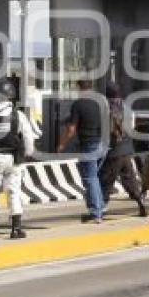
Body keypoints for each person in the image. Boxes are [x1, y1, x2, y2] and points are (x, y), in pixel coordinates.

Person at [0, 78, 39, 239]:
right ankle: (16, 228)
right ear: (11, 96)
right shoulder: (19, 116)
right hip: (14, 159)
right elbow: (28, 138)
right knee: (14, 192)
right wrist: (28, 154)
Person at [57, 79, 107, 224]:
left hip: (89, 144)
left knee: (89, 178)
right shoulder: (100, 102)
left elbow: (71, 130)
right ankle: (100, 208)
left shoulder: (78, 104)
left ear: (79, 88)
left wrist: (61, 145)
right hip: (102, 144)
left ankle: (95, 213)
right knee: (94, 177)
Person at [99, 82, 148, 217]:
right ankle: (140, 201)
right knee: (130, 179)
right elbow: (131, 128)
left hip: (113, 151)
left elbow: (103, 131)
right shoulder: (127, 108)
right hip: (127, 150)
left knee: (106, 179)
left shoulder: (105, 109)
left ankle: (100, 209)